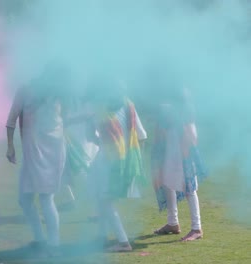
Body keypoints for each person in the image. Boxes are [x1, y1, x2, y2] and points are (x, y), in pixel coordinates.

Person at [6, 65, 68, 257]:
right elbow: (11, 120)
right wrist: (10, 146)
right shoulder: (26, 89)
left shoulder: (59, 94)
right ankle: (42, 239)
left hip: (52, 151)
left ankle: (53, 244)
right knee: (25, 199)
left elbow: (65, 121)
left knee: (45, 197)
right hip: (34, 151)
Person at [86, 81, 147, 252]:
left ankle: (123, 242)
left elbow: (91, 135)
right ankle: (102, 236)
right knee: (101, 198)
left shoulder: (100, 109)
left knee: (105, 200)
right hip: (126, 160)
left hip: (109, 162)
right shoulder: (129, 106)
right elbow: (142, 136)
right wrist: (136, 159)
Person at [151, 87, 207, 241]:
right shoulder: (168, 112)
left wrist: (186, 158)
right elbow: (161, 134)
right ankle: (173, 223)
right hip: (171, 156)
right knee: (168, 185)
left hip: (183, 157)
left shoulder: (186, 117)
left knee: (189, 189)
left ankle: (197, 228)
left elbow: (191, 139)